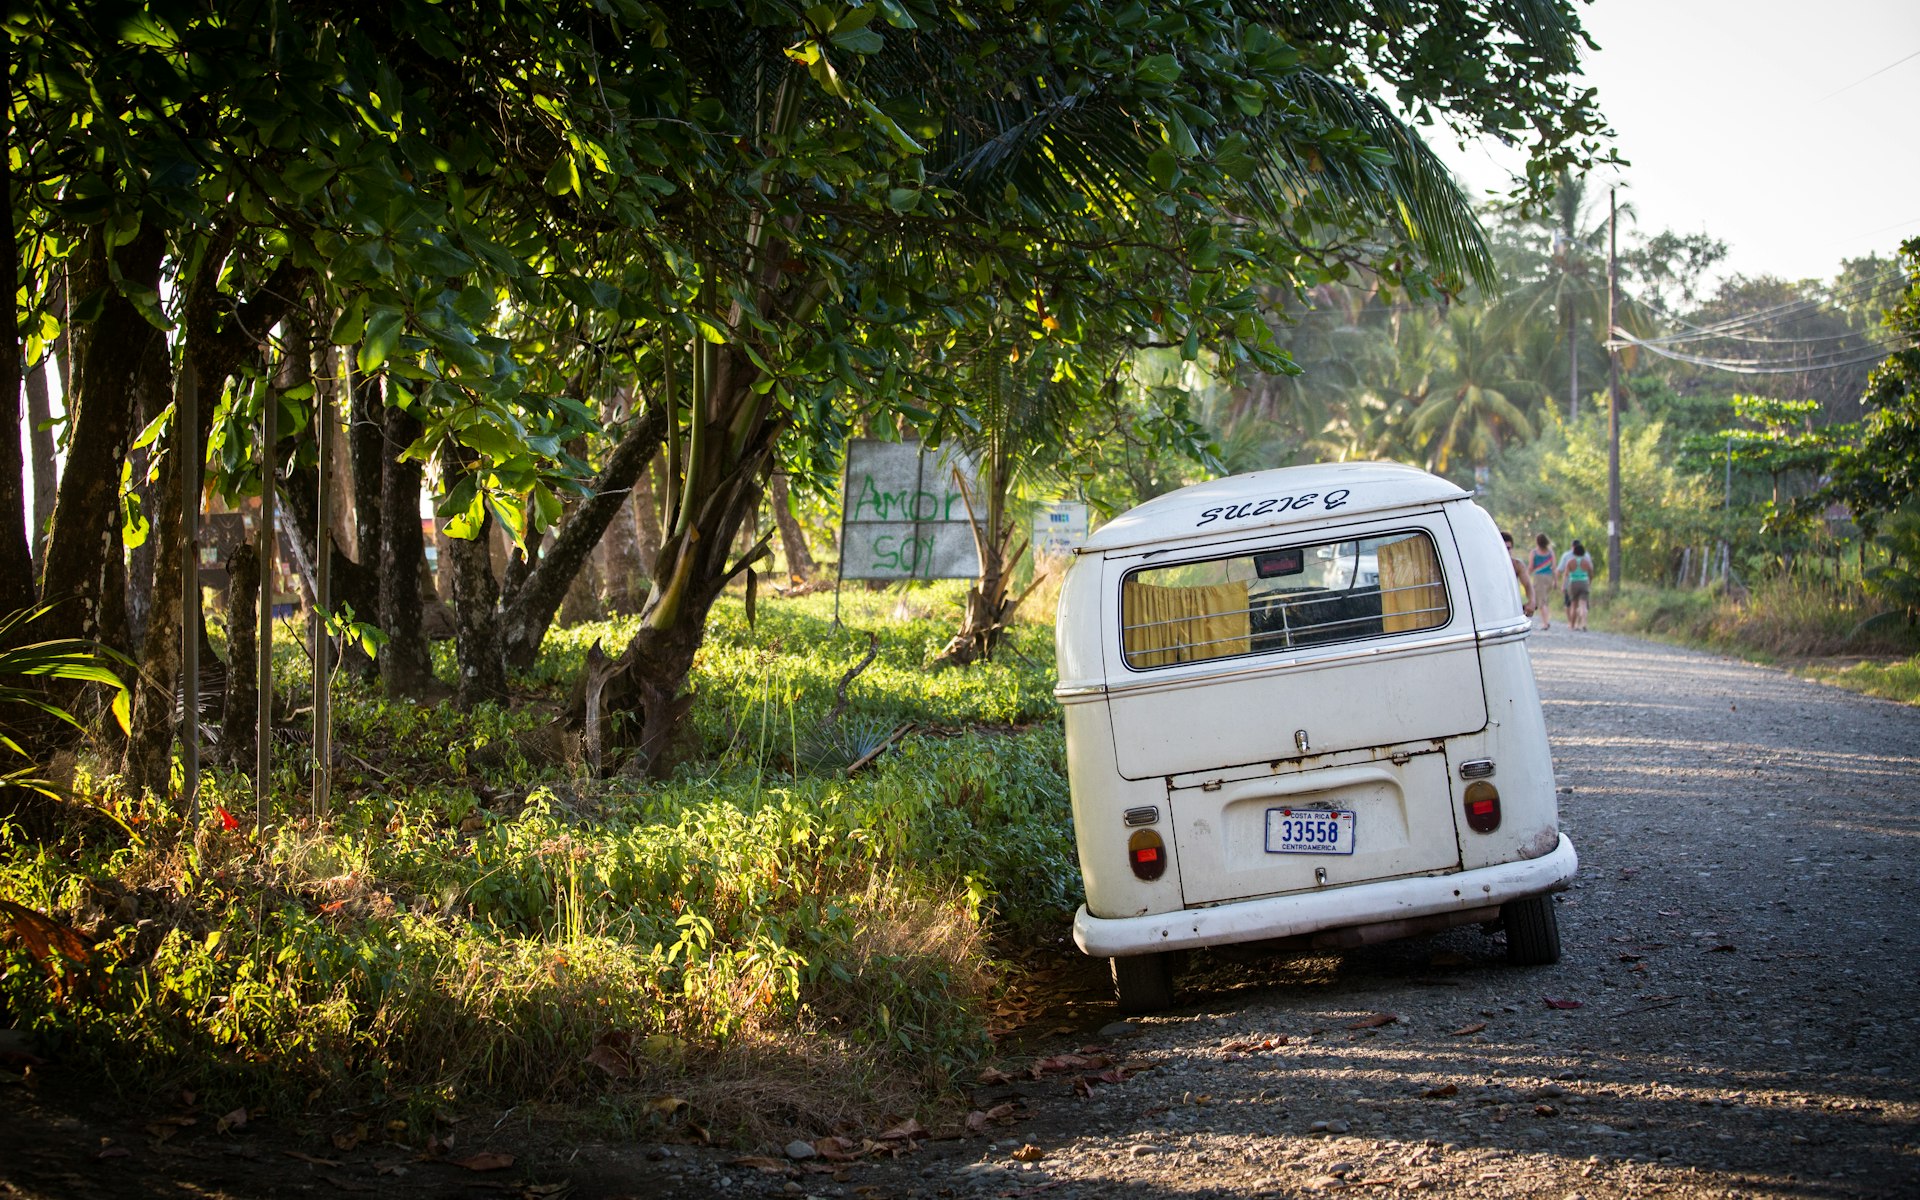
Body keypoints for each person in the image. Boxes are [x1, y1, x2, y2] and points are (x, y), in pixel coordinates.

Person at [1557, 539, 1595, 631]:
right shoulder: (1586, 562)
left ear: (1574, 552)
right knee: (1583, 605)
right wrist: (1589, 582)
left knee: (1573, 605)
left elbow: (1565, 575)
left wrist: (1563, 586)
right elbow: (1591, 573)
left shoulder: (1570, 562)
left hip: (1573, 583)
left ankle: (1572, 625)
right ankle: (1584, 623)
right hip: (1584, 583)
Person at [1501, 531, 1534, 619]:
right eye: (1502, 548)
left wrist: (1532, 601)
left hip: (1511, 606)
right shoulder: (1488, 565)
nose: (1506, 551)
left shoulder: (1517, 565)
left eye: (1508, 548)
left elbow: (1527, 585)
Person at [1527, 533, 1556, 630]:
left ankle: (1545, 623)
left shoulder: (1534, 553)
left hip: (1539, 577)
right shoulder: (1550, 552)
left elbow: (1531, 567)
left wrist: (1526, 576)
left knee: (1541, 601)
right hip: (1549, 577)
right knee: (1544, 600)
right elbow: (1554, 567)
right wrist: (1555, 580)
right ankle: (1545, 621)